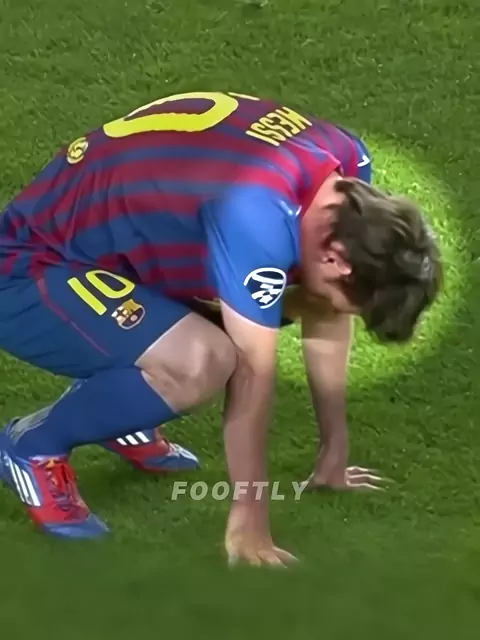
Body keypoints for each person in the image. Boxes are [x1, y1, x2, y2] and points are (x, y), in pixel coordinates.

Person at [0, 91, 442, 565]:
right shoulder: (254, 213)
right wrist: (250, 520)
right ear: (337, 259)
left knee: (285, 300)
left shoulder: (348, 169)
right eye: (350, 303)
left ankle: (120, 413)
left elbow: (322, 307)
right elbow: (254, 375)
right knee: (202, 362)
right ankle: (33, 444)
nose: (341, 313)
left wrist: (334, 451)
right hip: (30, 266)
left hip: (115, 249)